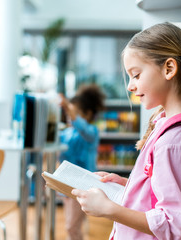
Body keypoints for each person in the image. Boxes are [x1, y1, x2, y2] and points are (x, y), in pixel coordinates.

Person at [70, 22, 181, 239]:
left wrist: (109, 209)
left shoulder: (175, 141)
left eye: (136, 74)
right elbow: (162, 193)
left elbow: (173, 226)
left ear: (169, 68)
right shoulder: (169, 127)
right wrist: (128, 186)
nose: (130, 86)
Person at [58, 84, 105, 240]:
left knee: (71, 226)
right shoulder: (66, 132)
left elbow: (83, 129)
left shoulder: (92, 131)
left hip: (82, 185)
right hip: (67, 184)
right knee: (72, 224)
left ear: (87, 114)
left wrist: (68, 108)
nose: (71, 117)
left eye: (75, 113)